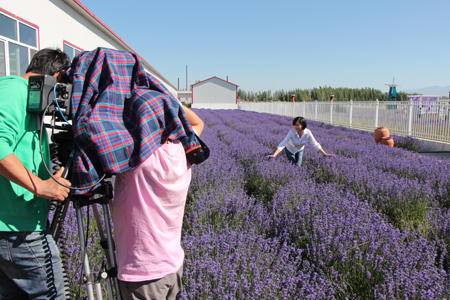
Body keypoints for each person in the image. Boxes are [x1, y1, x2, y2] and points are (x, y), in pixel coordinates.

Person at [0, 48, 72, 299]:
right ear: (55, 76)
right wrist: (40, 186)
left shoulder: (28, 102)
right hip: (17, 230)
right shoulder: (14, 90)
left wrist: (51, 176)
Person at [112, 105, 203, 300]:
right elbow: (197, 122)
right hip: (173, 263)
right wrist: (167, 100)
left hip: (143, 273)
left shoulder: (134, 157)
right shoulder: (181, 150)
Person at [267, 116, 335, 166]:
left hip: (300, 150)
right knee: (293, 166)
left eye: (297, 125)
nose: (295, 127)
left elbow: (315, 144)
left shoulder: (308, 132)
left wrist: (325, 154)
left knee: (298, 167)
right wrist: (274, 155)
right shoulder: (292, 132)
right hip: (290, 150)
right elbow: (283, 143)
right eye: (294, 125)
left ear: (302, 125)